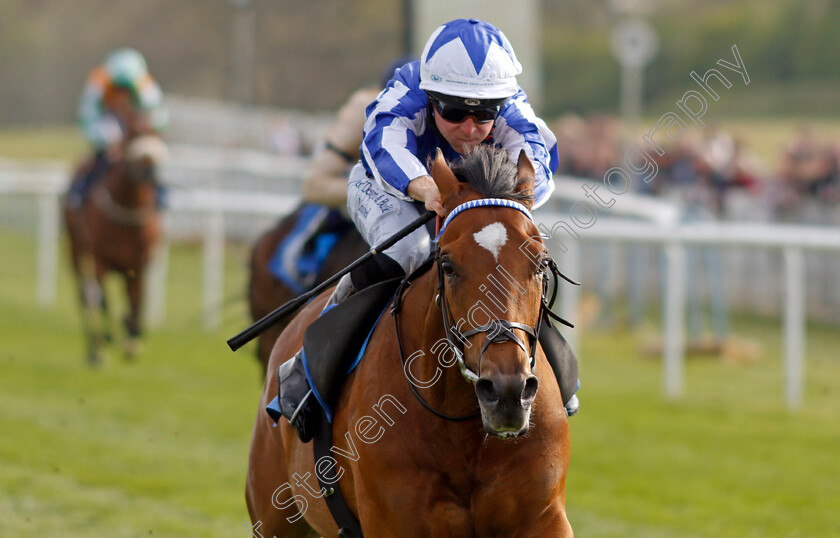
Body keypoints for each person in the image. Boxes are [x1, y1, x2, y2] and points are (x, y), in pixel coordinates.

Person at [276, 19, 577, 439]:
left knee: (516, 255)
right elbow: (383, 143)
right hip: (390, 185)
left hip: (472, 193)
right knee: (414, 251)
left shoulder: (511, 105)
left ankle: (556, 369)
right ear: (432, 97)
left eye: (483, 114)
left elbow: (539, 165)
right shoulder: (407, 89)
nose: (470, 128)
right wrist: (425, 187)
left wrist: (504, 201)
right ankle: (307, 368)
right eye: (454, 112)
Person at [68, 48, 168, 209]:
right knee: (106, 153)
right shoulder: (98, 83)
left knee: (149, 155)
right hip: (105, 120)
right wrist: (109, 140)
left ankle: (160, 194)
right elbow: (88, 121)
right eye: (119, 87)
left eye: (127, 88)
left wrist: (145, 126)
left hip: (135, 125)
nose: (123, 93)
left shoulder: (145, 85)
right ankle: (81, 191)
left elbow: (160, 118)